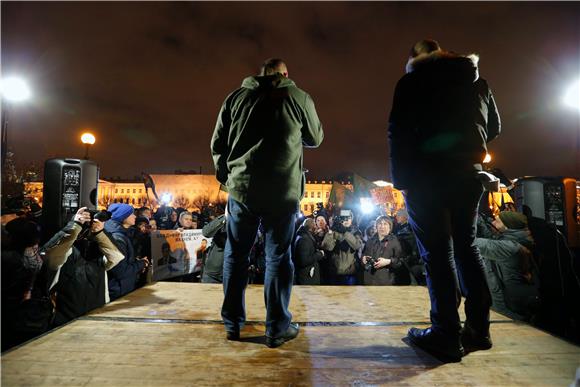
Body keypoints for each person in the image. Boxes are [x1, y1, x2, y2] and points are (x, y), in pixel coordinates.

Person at [388, 39, 501, 362]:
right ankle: (479, 330)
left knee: (437, 254)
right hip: (468, 174)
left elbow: (397, 131)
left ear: (415, 59)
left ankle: (445, 334)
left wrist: (402, 181)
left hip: (426, 179)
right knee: (468, 249)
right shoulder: (477, 81)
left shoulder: (411, 82)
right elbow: (494, 126)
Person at [211, 58, 323, 347]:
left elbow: (218, 143)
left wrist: (229, 178)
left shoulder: (236, 97)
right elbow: (316, 137)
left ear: (258, 75)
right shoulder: (297, 96)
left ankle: (232, 324)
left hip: (243, 189)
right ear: (285, 74)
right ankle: (276, 328)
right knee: (278, 257)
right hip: (282, 191)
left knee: (236, 256)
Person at [475, 211, 540, 321]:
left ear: (507, 226)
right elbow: (492, 237)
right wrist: (479, 220)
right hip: (516, 300)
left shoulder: (510, 247)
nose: (493, 222)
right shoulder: (518, 238)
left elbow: (478, 244)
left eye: (497, 221)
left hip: (510, 308)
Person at [105, 203, 150, 300]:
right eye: (131, 214)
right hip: (119, 290)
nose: (135, 216)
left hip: (123, 287)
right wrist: (141, 264)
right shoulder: (118, 238)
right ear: (123, 216)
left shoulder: (124, 233)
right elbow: (121, 271)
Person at [321, 210, 363, 285]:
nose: (346, 220)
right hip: (334, 271)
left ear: (352, 220)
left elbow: (357, 245)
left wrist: (345, 232)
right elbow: (328, 247)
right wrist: (331, 231)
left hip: (349, 272)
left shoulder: (356, 231)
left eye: (348, 218)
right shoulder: (335, 231)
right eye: (344, 218)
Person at [361, 216, 406, 285]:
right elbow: (363, 255)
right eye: (380, 224)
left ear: (390, 227)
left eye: (385, 224)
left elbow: (401, 261)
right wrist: (363, 259)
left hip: (386, 282)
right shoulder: (370, 241)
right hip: (368, 281)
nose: (382, 226)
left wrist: (388, 261)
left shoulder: (394, 241)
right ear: (376, 226)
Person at [394, 209, 425, 285]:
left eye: (399, 216)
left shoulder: (410, 229)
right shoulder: (398, 228)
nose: (396, 218)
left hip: (411, 260)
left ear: (405, 217)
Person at [293, 218, 325, 285]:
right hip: (307, 278)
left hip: (308, 276)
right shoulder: (304, 239)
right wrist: (320, 254)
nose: (316, 227)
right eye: (315, 225)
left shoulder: (305, 236)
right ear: (311, 228)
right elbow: (304, 261)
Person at [201, 214, 227, 284]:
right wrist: (225, 217)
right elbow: (206, 232)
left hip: (235, 273)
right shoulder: (223, 219)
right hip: (213, 273)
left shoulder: (248, 222)